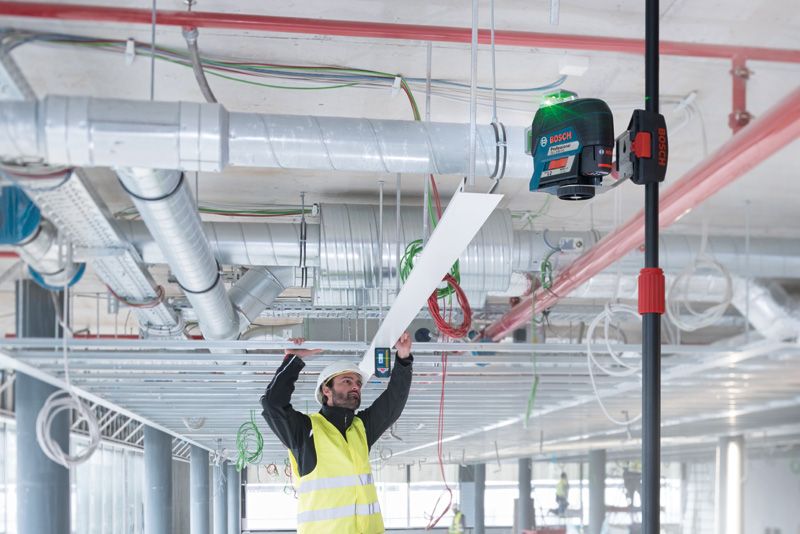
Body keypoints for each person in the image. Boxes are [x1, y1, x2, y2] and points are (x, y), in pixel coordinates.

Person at [261, 332, 413, 534]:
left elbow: (392, 405)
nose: (356, 387)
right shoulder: (306, 431)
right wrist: (293, 359)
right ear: (326, 390)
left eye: (358, 384)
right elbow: (273, 405)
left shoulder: (360, 428)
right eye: (347, 381)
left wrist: (403, 359)